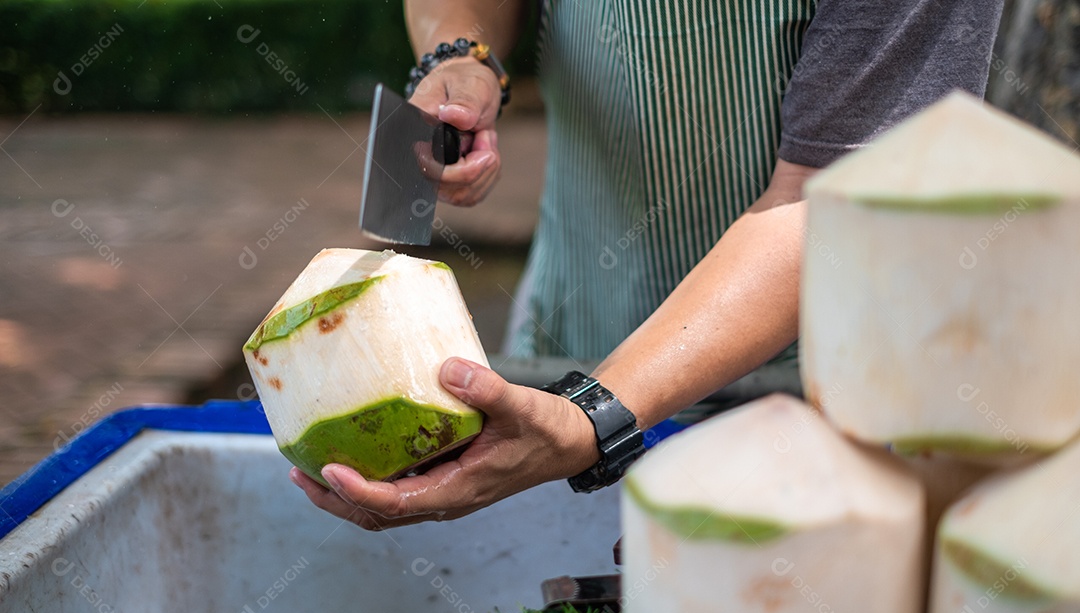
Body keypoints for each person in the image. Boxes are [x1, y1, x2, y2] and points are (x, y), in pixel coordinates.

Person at [290, 0, 1003, 529]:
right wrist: (461, 53)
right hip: (567, 342)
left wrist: (588, 420)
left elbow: (832, 201)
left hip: (825, 400)